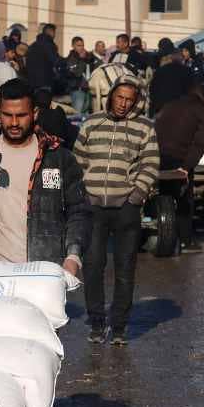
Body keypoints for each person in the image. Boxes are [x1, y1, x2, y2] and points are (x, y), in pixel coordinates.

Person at [0, 78, 90, 276]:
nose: (14, 123)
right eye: (8, 115)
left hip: (42, 272)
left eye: (21, 115)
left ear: (35, 113)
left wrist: (73, 256)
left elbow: (78, 211)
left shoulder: (58, 158)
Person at [74, 73, 159, 345]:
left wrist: (136, 195)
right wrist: (83, 193)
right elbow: (78, 161)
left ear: (136, 102)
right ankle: (97, 323)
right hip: (93, 207)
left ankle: (119, 327)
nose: (123, 103)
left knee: (124, 268)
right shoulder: (91, 123)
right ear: (111, 96)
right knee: (92, 266)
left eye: (129, 100)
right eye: (120, 97)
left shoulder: (145, 127)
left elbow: (150, 163)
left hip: (126, 208)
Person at [155, 81, 204, 253]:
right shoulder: (203, 111)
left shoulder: (170, 105)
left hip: (157, 156)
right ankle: (185, 241)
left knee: (163, 192)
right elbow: (200, 142)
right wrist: (187, 167)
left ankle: (160, 229)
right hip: (179, 160)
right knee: (184, 200)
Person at [148, 49, 191, 117]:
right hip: (179, 108)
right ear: (182, 59)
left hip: (161, 107)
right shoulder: (187, 71)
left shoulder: (160, 70)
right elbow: (190, 90)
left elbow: (152, 89)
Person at [65, 36, 101, 114]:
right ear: (73, 46)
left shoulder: (87, 57)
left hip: (87, 90)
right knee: (77, 114)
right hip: (77, 90)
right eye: (79, 45)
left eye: (82, 45)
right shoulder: (71, 59)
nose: (81, 48)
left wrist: (91, 57)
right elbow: (77, 73)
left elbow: (97, 66)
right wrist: (82, 60)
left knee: (86, 115)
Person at [26, 23, 60, 94]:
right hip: (45, 83)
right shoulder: (49, 45)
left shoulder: (33, 45)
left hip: (31, 83)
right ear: (50, 32)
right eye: (54, 33)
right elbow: (55, 61)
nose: (55, 35)